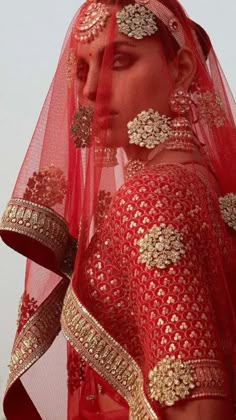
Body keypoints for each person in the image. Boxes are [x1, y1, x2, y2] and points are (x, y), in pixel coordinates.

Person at [1, 0, 236, 418]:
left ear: (181, 70)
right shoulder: (202, 189)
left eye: (119, 60)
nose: (91, 89)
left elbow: (198, 405)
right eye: (82, 70)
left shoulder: (149, 197)